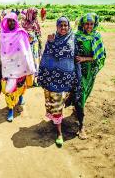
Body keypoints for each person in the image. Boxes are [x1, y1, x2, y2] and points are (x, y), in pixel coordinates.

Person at [38, 16, 81, 147]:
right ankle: (59, 132)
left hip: (67, 79)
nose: (63, 28)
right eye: (60, 25)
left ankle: (56, 121)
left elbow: (76, 57)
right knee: (56, 105)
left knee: (60, 104)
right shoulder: (52, 39)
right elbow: (46, 56)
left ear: (69, 26)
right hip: (52, 79)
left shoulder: (73, 39)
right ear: (56, 26)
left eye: (65, 25)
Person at [75, 13, 106, 139]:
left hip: (90, 70)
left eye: (91, 24)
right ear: (82, 24)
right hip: (78, 70)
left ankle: (78, 108)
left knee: (86, 92)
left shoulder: (96, 36)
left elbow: (99, 55)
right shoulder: (76, 36)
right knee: (80, 92)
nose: (89, 26)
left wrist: (84, 58)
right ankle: (81, 126)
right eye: (86, 23)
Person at [0, 13, 36, 122]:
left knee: (20, 85)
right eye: (9, 20)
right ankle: (10, 108)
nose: (11, 23)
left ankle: (20, 97)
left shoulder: (21, 33)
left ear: (16, 21)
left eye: (13, 21)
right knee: (9, 88)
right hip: (8, 66)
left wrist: (29, 36)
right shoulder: (3, 35)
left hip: (20, 66)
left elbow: (29, 44)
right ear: (5, 22)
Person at [21, 7, 42, 86]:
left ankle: (34, 80)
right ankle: (27, 80)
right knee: (28, 62)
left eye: (36, 14)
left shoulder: (35, 21)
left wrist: (39, 41)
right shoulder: (23, 23)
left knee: (35, 61)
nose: (36, 15)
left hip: (35, 45)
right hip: (26, 45)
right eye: (34, 14)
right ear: (30, 14)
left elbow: (38, 32)